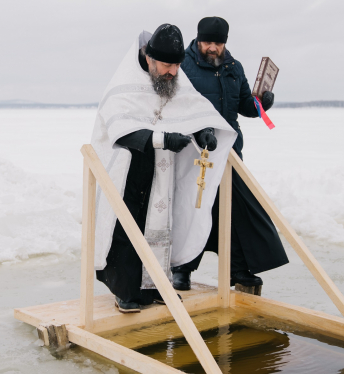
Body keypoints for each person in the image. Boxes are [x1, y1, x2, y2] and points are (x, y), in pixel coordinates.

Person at [90, 24, 238, 313]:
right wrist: (162, 138)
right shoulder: (124, 84)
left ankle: (156, 285)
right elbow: (119, 130)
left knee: (159, 228)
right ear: (149, 59)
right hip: (130, 169)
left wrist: (203, 132)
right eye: (166, 65)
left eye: (177, 65)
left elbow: (191, 111)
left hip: (163, 169)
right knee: (127, 228)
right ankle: (126, 291)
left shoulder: (175, 81)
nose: (173, 72)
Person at [174, 16, 289, 291]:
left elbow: (246, 106)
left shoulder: (233, 67)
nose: (212, 48)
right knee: (196, 207)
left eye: (218, 43)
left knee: (233, 209)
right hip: (196, 150)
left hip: (229, 151)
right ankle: (182, 268)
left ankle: (236, 269)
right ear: (198, 39)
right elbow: (176, 107)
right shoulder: (184, 66)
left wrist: (262, 103)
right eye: (207, 42)